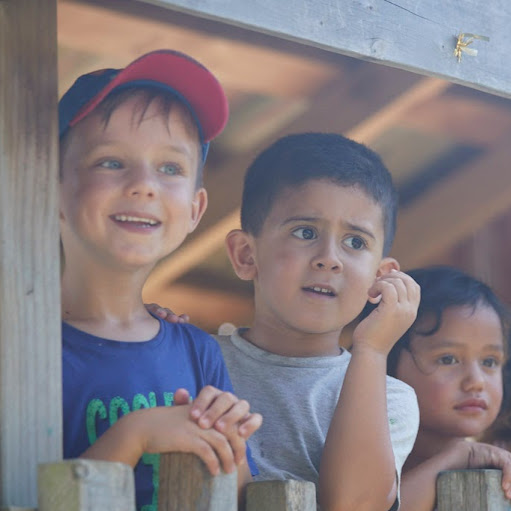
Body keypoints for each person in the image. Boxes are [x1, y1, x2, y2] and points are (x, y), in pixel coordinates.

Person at [154, 132, 422, 511]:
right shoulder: (193, 358)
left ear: (381, 276)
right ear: (246, 255)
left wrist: (373, 350)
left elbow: (352, 505)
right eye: (305, 232)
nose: (329, 259)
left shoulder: (392, 399)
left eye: (356, 242)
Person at [59, 49, 261, 511]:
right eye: (110, 161)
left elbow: (243, 496)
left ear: (195, 209)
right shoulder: (21, 352)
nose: (145, 184)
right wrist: (135, 435)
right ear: (47, 186)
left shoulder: (198, 350)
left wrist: (227, 438)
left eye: (170, 168)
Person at [382, 265, 511, 511]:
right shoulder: (364, 458)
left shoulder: (502, 472)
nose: (476, 381)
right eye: (448, 359)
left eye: (490, 362)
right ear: (387, 362)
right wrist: (457, 457)